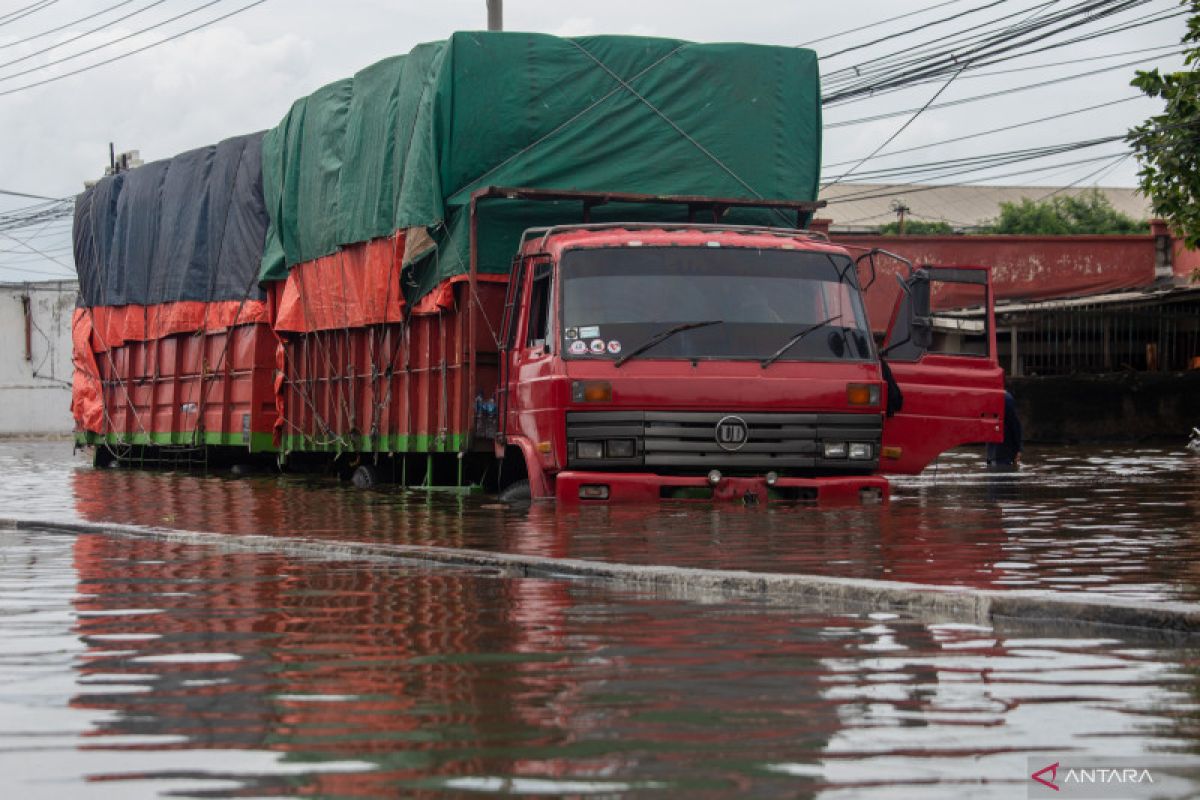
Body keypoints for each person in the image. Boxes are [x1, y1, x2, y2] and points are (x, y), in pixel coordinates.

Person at [986, 390, 1023, 468]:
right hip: (1005, 452)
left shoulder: (987, 397)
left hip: (992, 452)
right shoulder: (1006, 398)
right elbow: (1015, 425)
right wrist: (1019, 448)